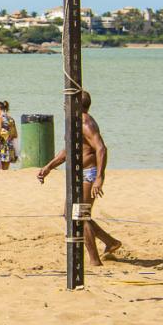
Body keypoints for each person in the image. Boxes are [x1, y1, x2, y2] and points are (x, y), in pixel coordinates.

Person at [37, 90, 122, 267]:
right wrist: (49, 167)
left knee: (79, 215)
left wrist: (100, 178)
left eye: (67, 101)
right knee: (72, 214)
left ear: (76, 104)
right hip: (78, 174)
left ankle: (94, 260)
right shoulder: (74, 121)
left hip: (88, 174)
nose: (63, 104)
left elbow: (101, 148)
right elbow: (68, 150)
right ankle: (110, 242)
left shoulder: (85, 122)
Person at [0, 100, 18, 170]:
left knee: (1, 169)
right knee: (6, 169)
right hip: (10, 146)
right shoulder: (11, 119)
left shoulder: (0, 118)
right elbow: (15, 135)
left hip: (2, 146)